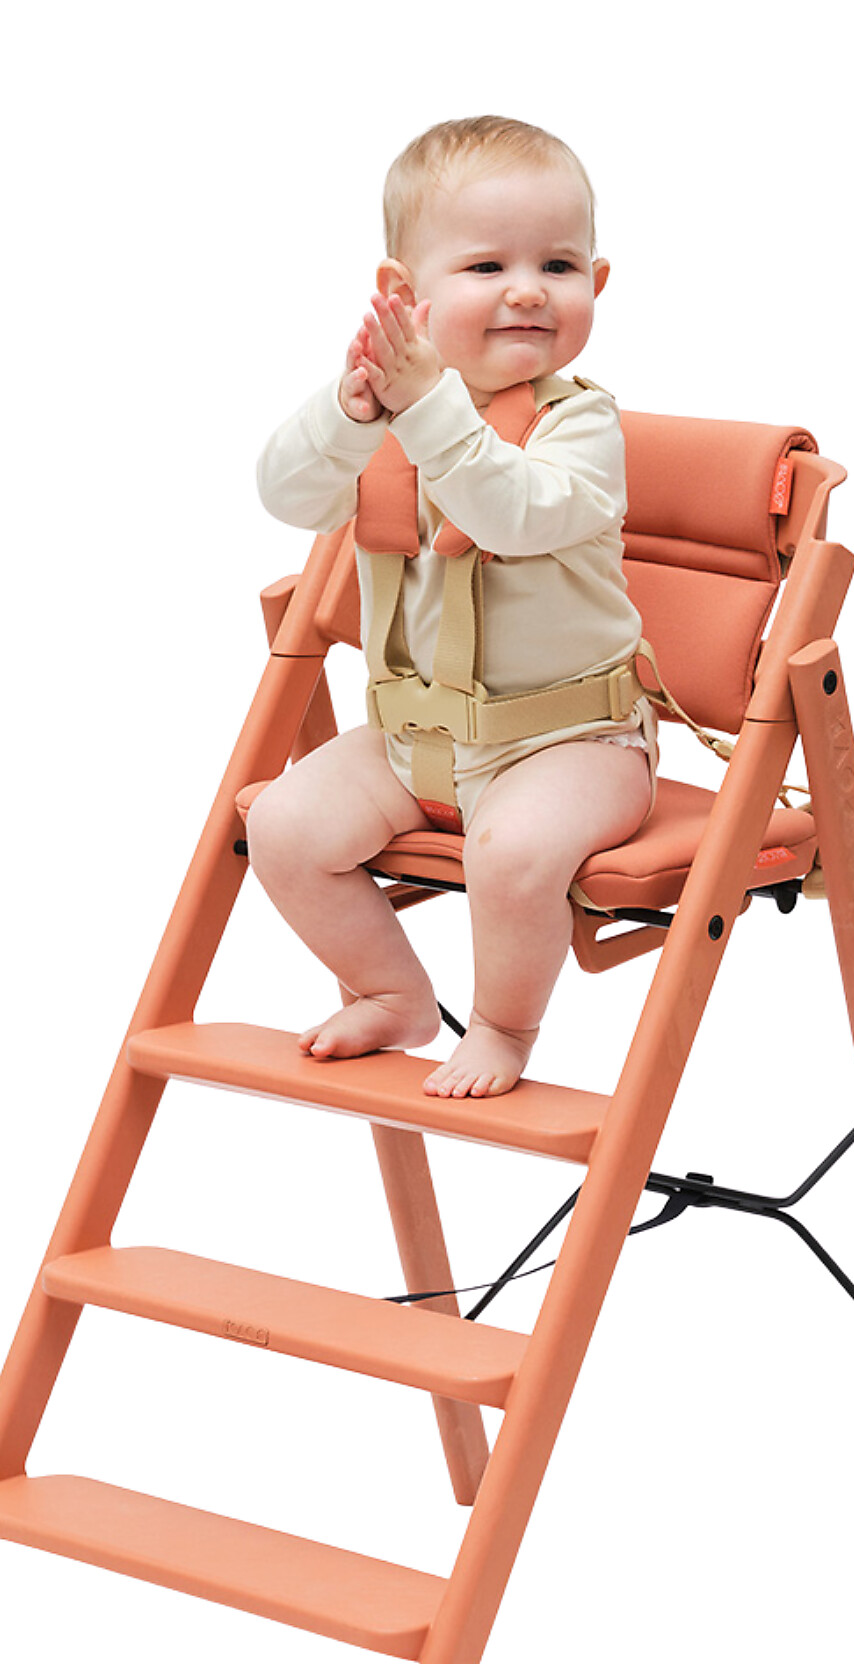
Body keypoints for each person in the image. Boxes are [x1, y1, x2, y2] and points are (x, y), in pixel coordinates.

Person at [250, 116, 654, 1099]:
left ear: (596, 283)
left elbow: (510, 513)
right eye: (486, 266)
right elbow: (288, 497)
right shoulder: (385, 416)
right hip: (411, 742)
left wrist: (425, 406)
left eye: (558, 264)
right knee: (283, 825)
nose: (528, 288)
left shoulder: (580, 423)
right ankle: (391, 992)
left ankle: (505, 1026)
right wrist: (352, 412)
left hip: (574, 743)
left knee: (510, 854)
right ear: (404, 294)